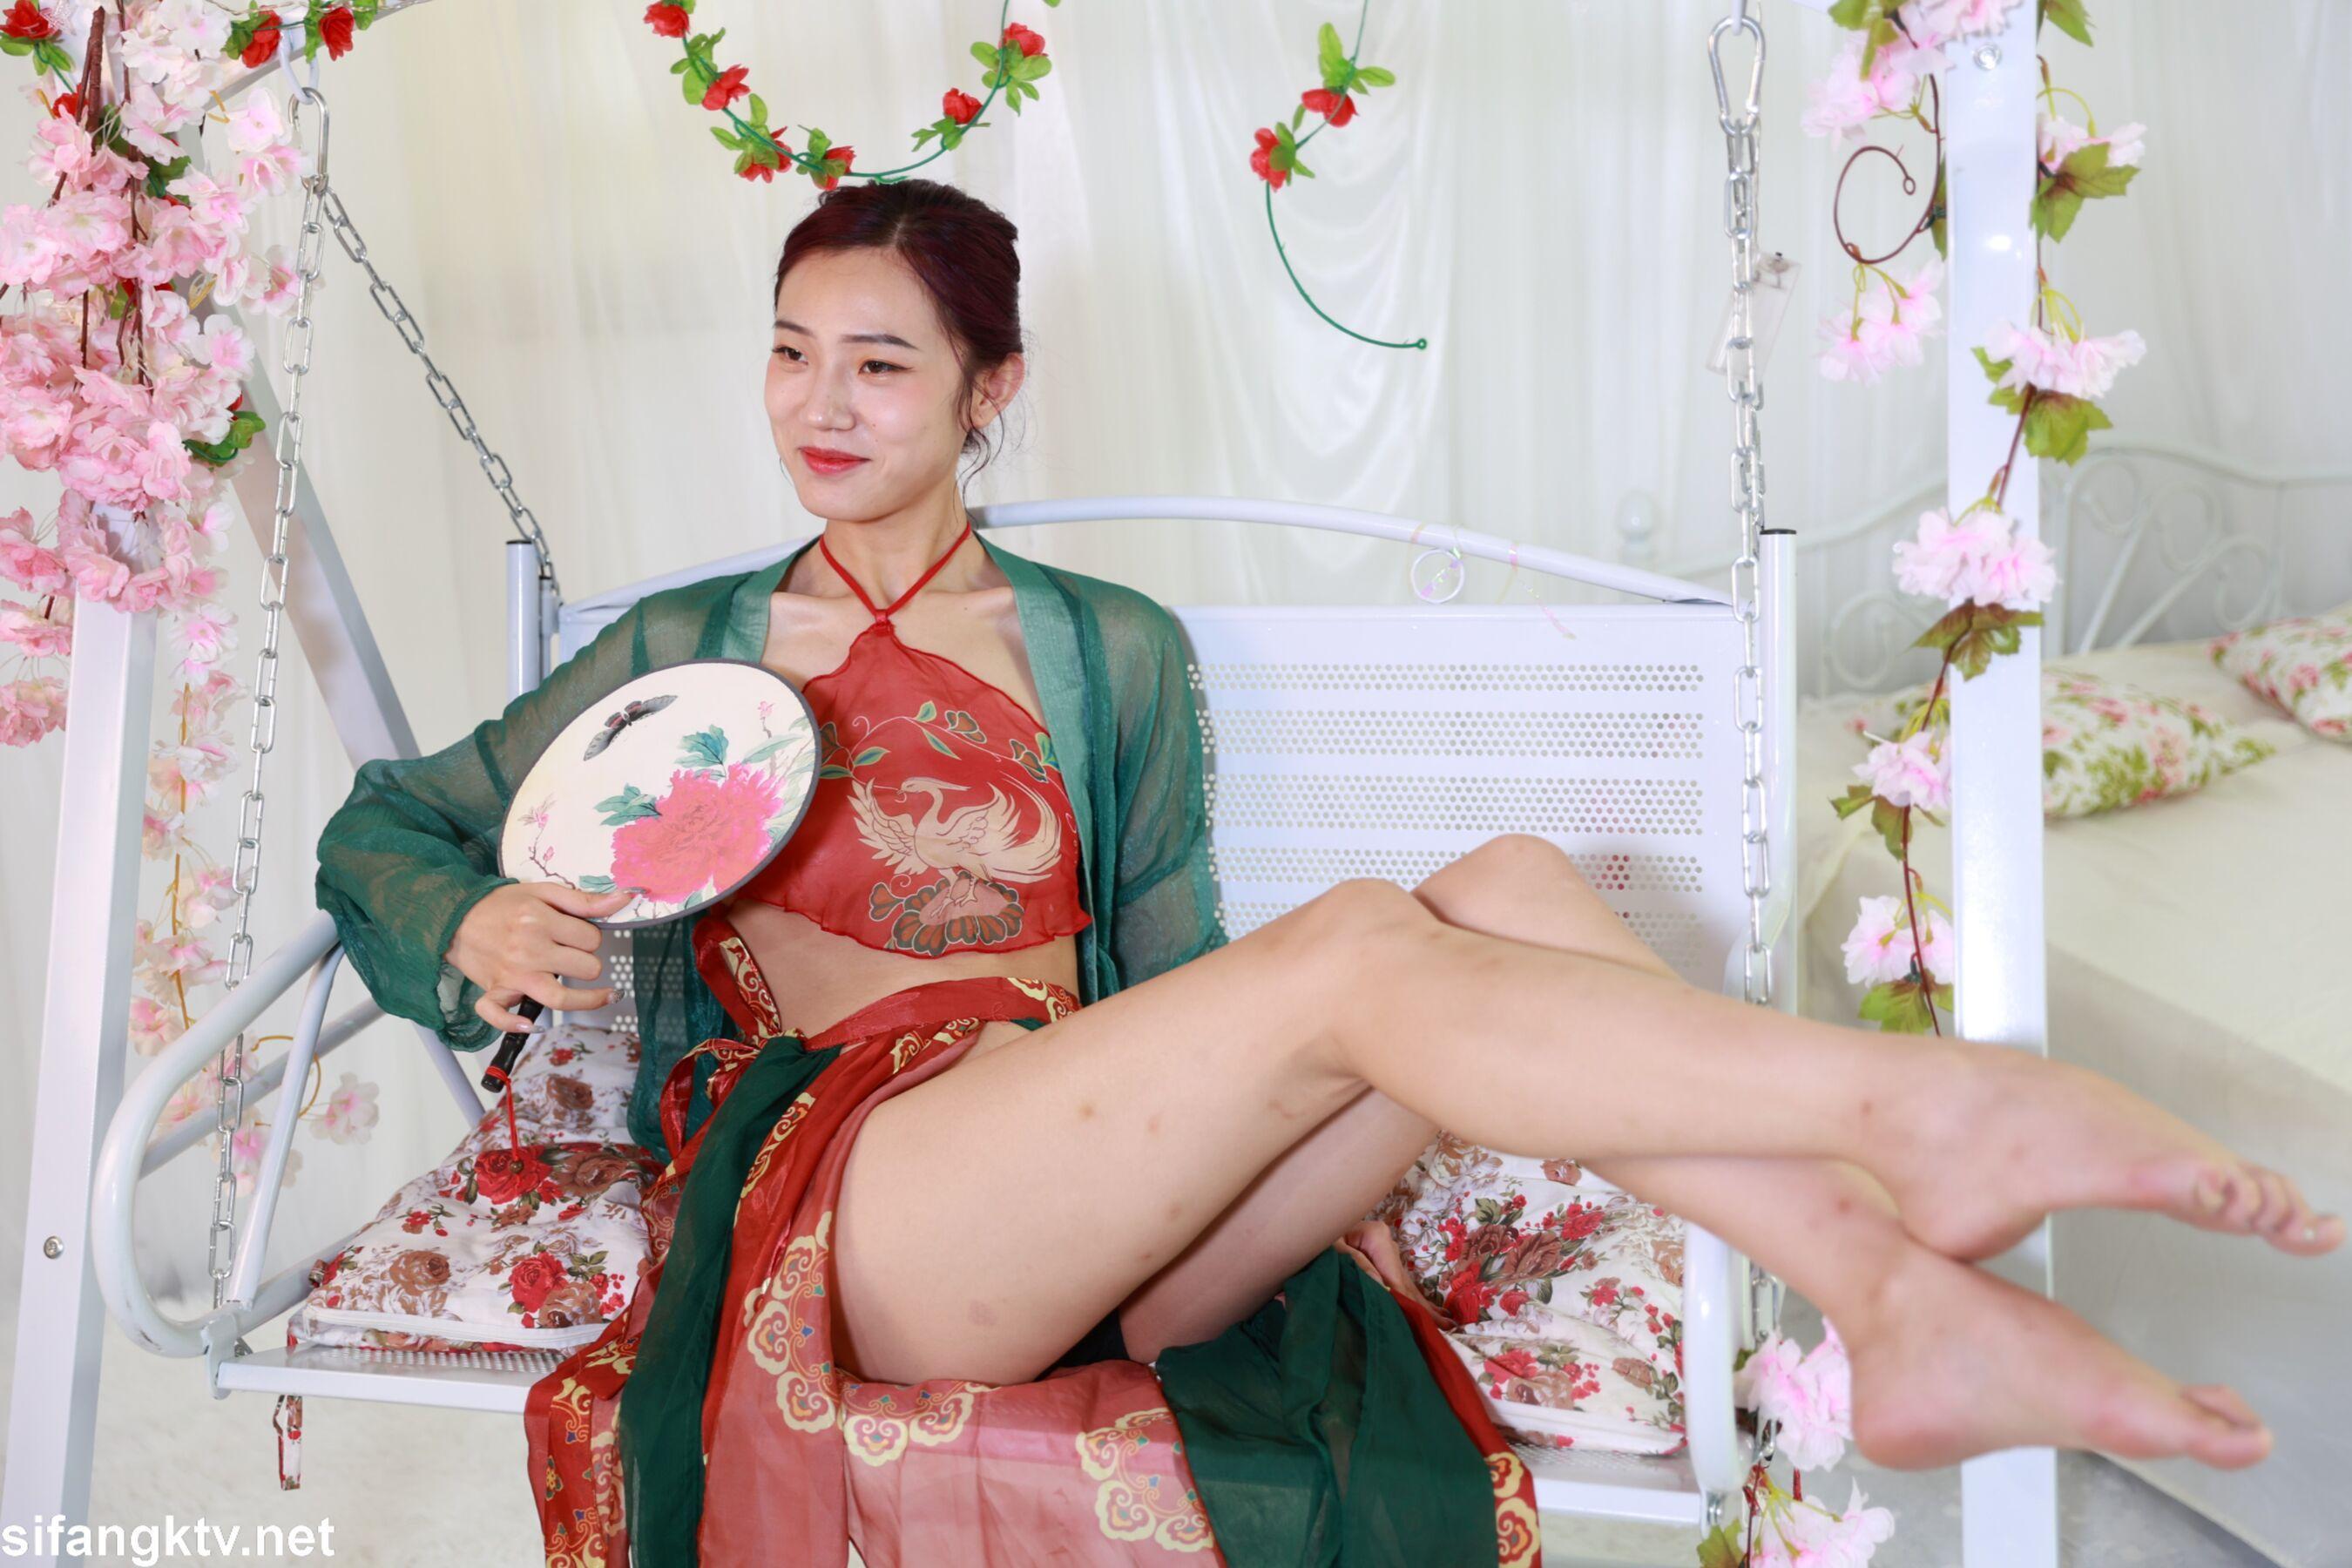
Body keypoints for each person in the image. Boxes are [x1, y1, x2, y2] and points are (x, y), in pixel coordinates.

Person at [314, 178, 2340, 1566]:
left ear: (990, 391)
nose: (817, 406)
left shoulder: (1106, 649)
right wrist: (468, 914)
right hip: (853, 1213)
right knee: (1369, 946)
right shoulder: (686, 653)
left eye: (881, 363)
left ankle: (1892, 1290)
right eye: (789, 354)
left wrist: (1204, 1101)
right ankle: (1924, 1115)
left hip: (1090, 1195)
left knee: (1513, 878)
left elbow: (1177, 978)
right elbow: (383, 823)